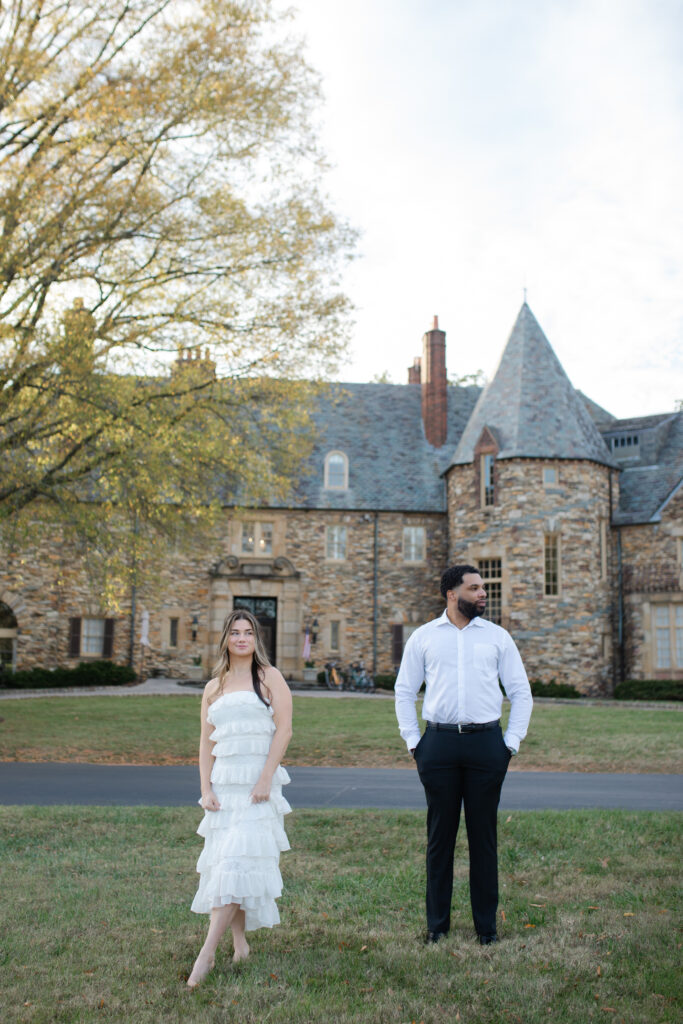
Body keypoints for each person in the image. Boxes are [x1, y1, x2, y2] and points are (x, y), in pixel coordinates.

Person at [395, 565, 532, 946]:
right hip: (437, 746)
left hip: (487, 745)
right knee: (439, 839)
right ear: (452, 594)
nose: (483, 594)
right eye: (475, 588)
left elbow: (520, 692)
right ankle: (437, 927)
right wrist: (414, 742)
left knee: (483, 838)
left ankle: (486, 929)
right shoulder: (424, 637)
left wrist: (510, 743)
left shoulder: (497, 638)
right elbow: (405, 691)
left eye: (483, 588)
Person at [187, 609, 293, 988]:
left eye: (248, 632)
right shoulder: (213, 687)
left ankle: (206, 954)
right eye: (235, 632)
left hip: (257, 788)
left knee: (235, 863)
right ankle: (240, 944)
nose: (242, 638)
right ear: (226, 639)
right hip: (224, 786)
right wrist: (206, 788)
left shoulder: (269, 678)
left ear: (256, 639)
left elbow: (284, 730)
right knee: (226, 866)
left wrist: (266, 778)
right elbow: (205, 742)